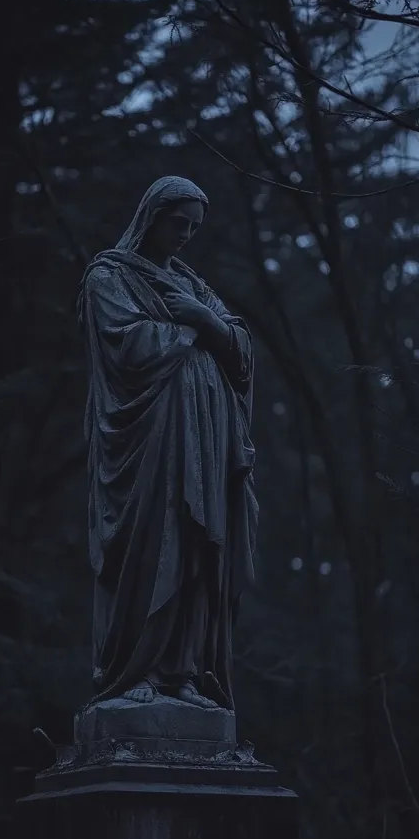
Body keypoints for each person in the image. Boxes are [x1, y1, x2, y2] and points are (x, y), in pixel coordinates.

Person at [78, 176, 258, 710]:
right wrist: (197, 335)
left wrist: (205, 321)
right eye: (179, 222)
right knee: (150, 547)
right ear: (152, 214)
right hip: (146, 446)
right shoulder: (108, 276)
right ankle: (133, 673)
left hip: (202, 446)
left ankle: (180, 673)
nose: (185, 235)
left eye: (194, 228)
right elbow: (126, 345)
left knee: (194, 552)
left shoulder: (192, 285)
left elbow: (241, 349)